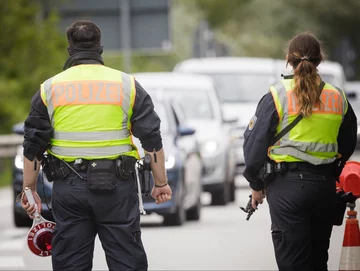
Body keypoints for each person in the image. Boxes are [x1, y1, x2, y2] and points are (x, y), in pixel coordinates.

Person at [21, 20, 172, 271]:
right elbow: (152, 140)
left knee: (71, 263)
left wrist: (29, 190)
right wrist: (160, 183)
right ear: (100, 47)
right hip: (117, 189)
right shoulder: (127, 86)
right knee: (126, 260)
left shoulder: (50, 89)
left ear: (70, 49)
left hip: (68, 190)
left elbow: (33, 145)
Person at [243, 32, 357, 271]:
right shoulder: (337, 97)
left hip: (287, 191)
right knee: (317, 262)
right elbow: (348, 141)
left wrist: (256, 185)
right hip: (324, 189)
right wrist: (333, 170)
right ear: (320, 60)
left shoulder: (278, 94)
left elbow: (254, 145)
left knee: (293, 264)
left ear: (288, 59)